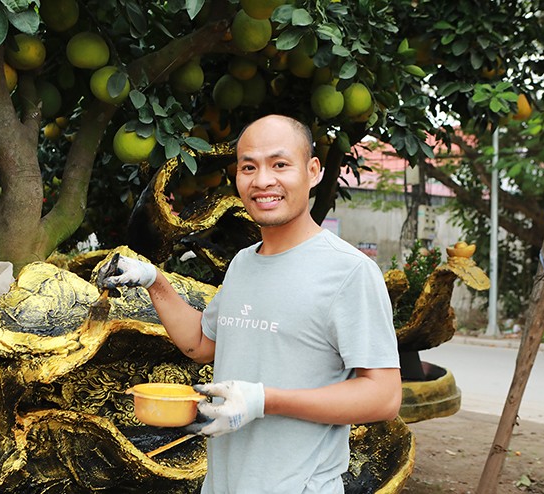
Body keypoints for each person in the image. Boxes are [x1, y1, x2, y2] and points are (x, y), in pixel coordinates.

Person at [98, 114, 401, 493]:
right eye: (248, 167)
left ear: (313, 171)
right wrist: (154, 281)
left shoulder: (349, 272)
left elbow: (384, 395)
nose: (262, 181)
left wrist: (263, 400)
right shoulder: (244, 263)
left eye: (279, 164)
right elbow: (201, 344)